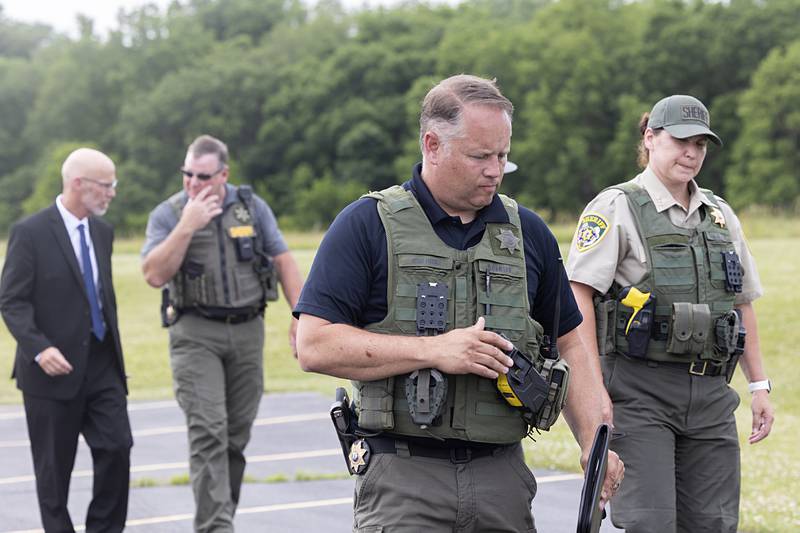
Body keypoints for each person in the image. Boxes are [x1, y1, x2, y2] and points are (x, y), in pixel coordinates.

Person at [294, 74, 623, 531]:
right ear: (432, 145)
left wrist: (593, 440)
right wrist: (435, 350)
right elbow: (313, 345)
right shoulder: (366, 225)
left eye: (503, 156)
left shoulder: (528, 233)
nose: (494, 169)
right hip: (403, 480)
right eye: (480, 156)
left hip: (502, 478)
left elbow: (570, 343)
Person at [566, 94, 775, 533]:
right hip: (640, 393)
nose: (691, 153)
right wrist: (592, 389)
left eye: (700, 144)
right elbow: (578, 296)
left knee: (713, 523)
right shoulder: (617, 207)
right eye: (681, 140)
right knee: (650, 523)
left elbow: (741, 303)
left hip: (711, 394)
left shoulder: (720, 215)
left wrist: (759, 385)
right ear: (650, 138)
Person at [140, 134, 303, 532]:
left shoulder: (251, 208)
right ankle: (217, 527)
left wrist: (302, 317)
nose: (193, 183)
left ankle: (218, 520)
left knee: (234, 437)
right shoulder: (168, 214)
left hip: (248, 331)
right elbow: (153, 273)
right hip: (195, 334)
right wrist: (186, 226)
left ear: (224, 175)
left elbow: (282, 259)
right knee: (208, 432)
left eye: (202, 176)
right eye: (187, 175)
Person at [0, 148, 131, 532]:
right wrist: (39, 348)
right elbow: (11, 300)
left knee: (116, 447)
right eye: (106, 185)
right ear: (78, 184)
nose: (112, 193)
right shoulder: (30, 233)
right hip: (50, 372)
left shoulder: (103, 233)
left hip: (103, 365)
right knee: (54, 474)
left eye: (113, 185)